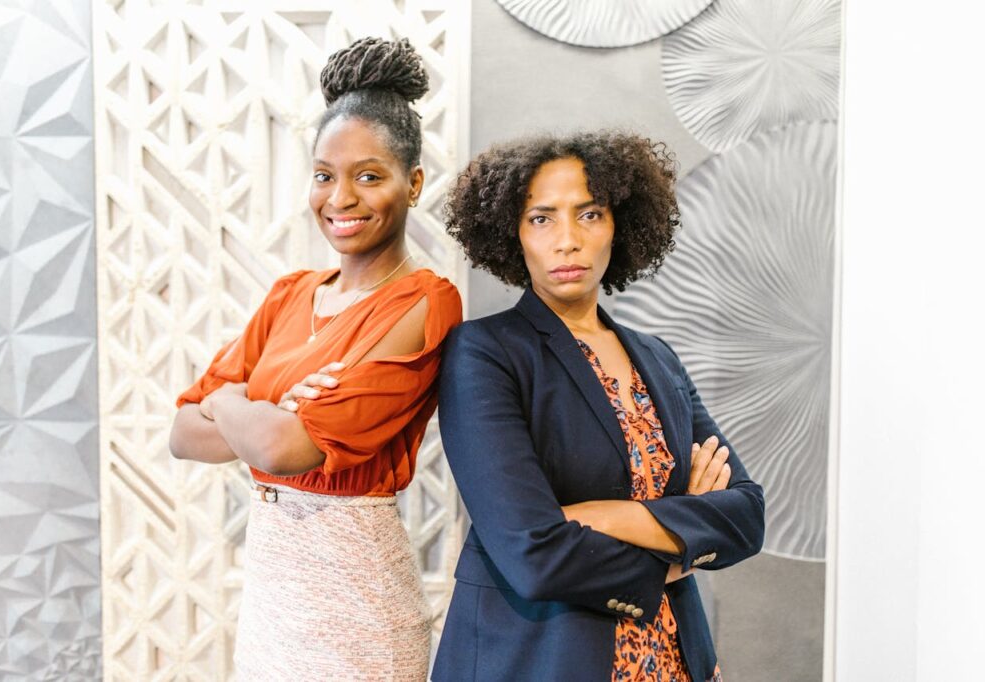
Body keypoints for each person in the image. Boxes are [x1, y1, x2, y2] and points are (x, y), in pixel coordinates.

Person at [168, 37, 462, 681]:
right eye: (325, 175)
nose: (341, 198)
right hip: (271, 598)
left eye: (369, 175)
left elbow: (285, 452)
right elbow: (184, 434)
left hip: (355, 605)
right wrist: (258, 413)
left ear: (412, 183)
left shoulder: (424, 302)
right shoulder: (290, 293)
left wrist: (229, 400)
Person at [432, 131, 764, 681]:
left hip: (674, 662)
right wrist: (680, 546)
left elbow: (745, 515)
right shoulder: (484, 354)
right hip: (541, 659)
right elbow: (533, 555)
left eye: (589, 215)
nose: (568, 240)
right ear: (513, 234)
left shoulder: (658, 359)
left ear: (620, 225)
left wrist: (597, 517)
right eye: (542, 218)